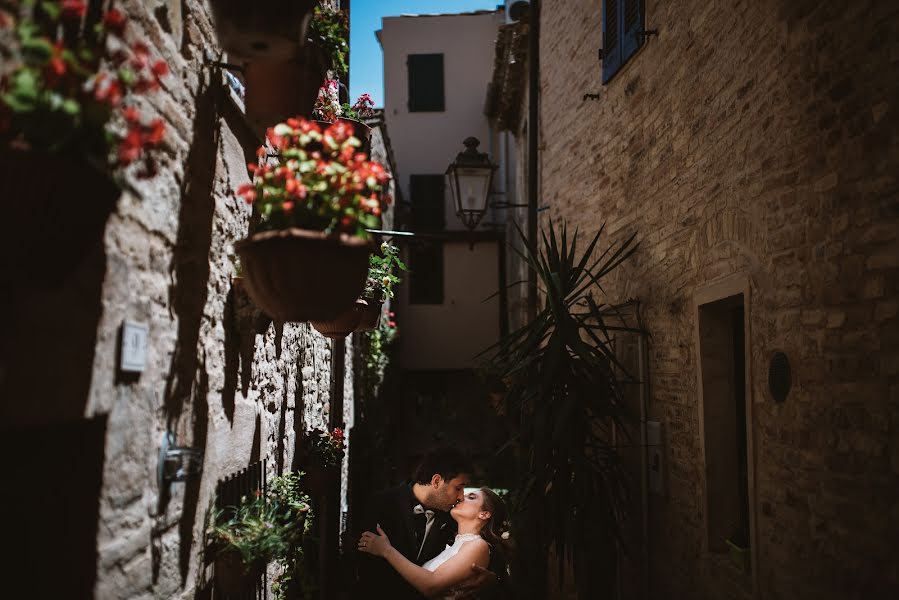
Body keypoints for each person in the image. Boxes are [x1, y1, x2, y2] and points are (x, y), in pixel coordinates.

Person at [353, 448, 497, 599]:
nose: (460, 496)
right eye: (458, 488)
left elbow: (478, 553)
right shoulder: (381, 504)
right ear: (436, 481)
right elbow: (360, 561)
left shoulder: (453, 517)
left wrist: (493, 579)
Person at [357, 486, 507, 599]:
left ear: (484, 514)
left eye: (471, 497)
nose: (460, 497)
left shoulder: (477, 545)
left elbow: (431, 585)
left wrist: (386, 550)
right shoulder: (452, 538)